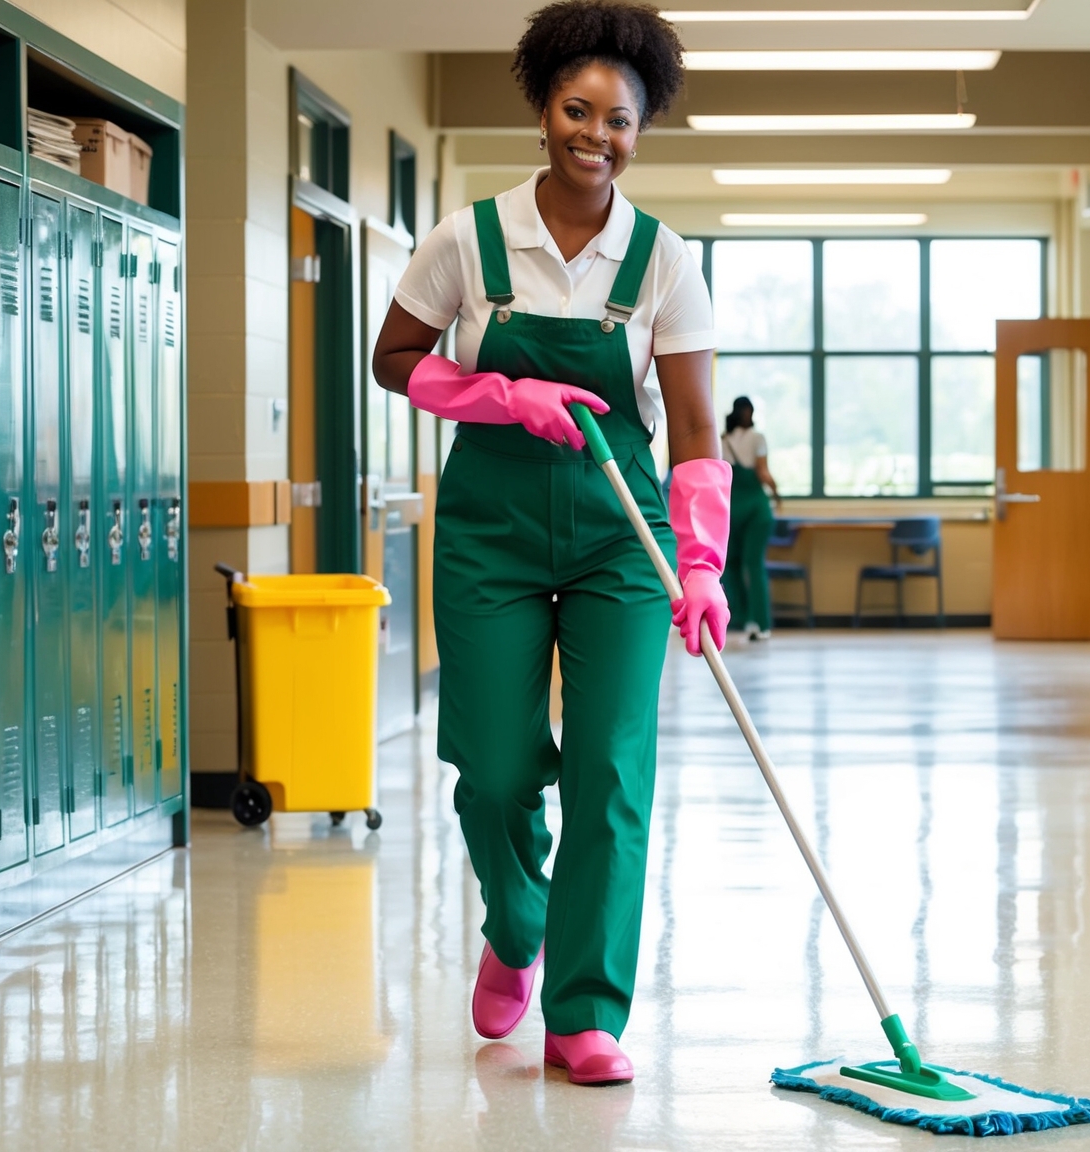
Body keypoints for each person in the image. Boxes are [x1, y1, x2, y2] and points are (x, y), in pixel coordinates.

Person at [368, 0, 718, 1087]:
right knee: (497, 765)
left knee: (614, 770)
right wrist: (497, 392)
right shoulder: (467, 241)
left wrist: (700, 563)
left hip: (622, 535)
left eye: (620, 119)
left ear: (640, 132)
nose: (596, 134)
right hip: (491, 530)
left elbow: (697, 429)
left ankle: (583, 1013)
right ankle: (515, 921)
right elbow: (394, 359)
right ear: (542, 109)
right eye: (578, 109)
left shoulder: (662, 260)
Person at [720, 396, 781, 640]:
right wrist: (777, 494)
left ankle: (739, 619)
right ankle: (760, 623)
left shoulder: (723, 440)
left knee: (730, 565)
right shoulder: (758, 438)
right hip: (756, 508)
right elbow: (762, 472)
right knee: (754, 564)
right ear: (750, 412)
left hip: (730, 507)